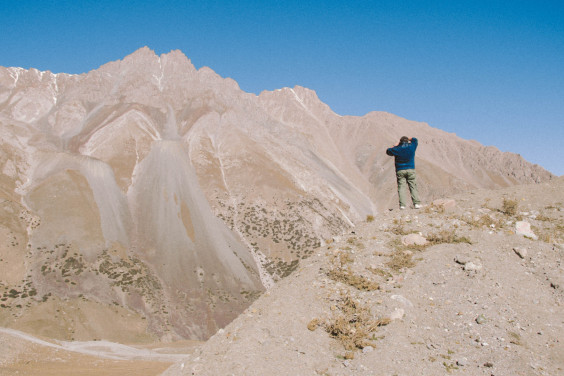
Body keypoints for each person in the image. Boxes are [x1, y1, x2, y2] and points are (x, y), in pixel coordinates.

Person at [386, 136, 421, 210]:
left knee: (401, 187)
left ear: (400, 142)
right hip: (411, 169)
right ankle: (416, 204)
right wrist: (409, 138)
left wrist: (394, 145)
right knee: (413, 186)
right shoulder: (412, 147)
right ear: (407, 141)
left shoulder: (397, 149)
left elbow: (388, 151)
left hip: (400, 170)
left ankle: (402, 205)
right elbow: (415, 140)